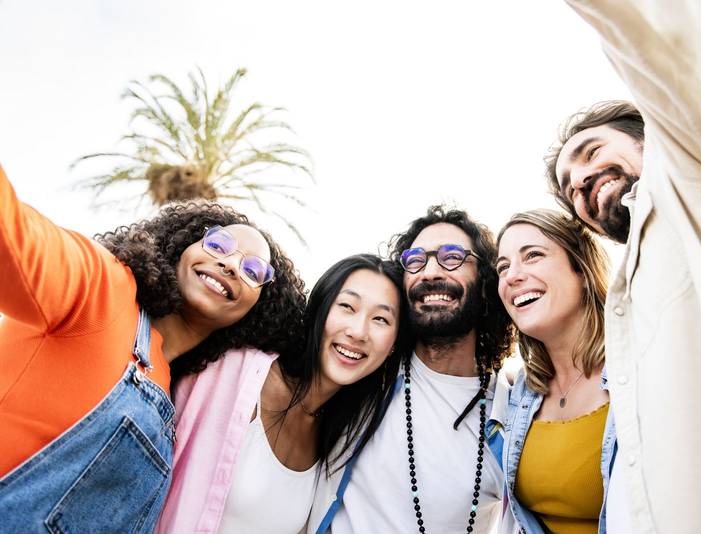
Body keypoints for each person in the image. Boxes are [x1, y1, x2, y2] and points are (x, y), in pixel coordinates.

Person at [546, 2, 701, 532]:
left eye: (592, 152)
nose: (582, 184)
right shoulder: (635, 288)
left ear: (652, 133)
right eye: (571, 189)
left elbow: (670, 37)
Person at [0, 165, 305, 532]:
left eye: (253, 271)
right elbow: (12, 231)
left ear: (257, 311)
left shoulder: (171, 398)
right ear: (181, 245)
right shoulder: (101, 289)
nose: (230, 264)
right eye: (218, 244)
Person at [156, 254, 410, 534]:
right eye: (347, 306)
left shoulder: (341, 441)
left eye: (381, 319)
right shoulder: (233, 371)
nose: (358, 331)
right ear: (320, 309)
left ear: (394, 344)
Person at [308, 205, 514, 534]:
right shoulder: (366, 372)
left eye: (451, 257)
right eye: (416, 260)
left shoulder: (508, 419)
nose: (430, 271)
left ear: (487, 281)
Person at [495, 209, 613, 534]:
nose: (512, 276)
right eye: (502, 267)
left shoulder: (639, 373)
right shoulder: (522, 391)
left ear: (582, 269)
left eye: (533, 256)